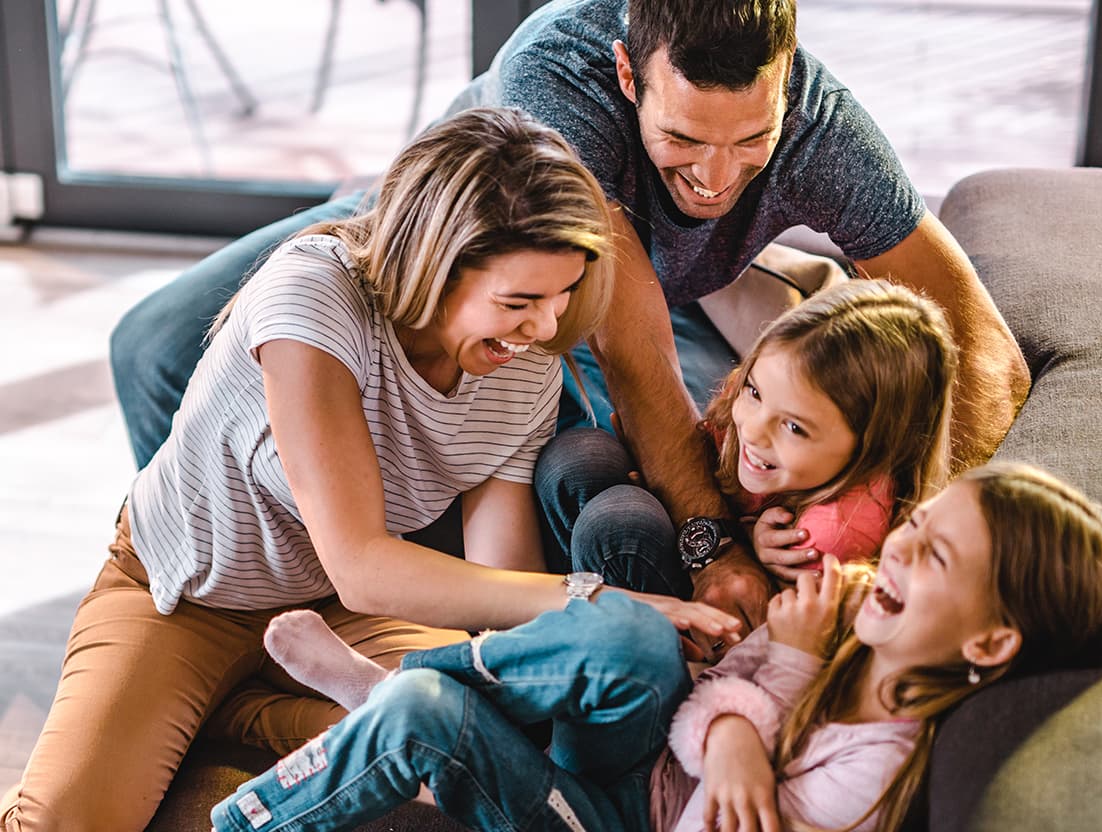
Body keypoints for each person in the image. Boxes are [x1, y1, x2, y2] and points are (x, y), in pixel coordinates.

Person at [108, 0, 1031, 638]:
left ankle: (364, 595)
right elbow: (629, 351)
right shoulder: (559, 76)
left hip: (617, 304)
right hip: (437, 236)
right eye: (681, 143)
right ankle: (241, 604)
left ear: (788, 79)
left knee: (721, 443)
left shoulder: (824, 129)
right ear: (630, 75)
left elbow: (987, 348)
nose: (715, 179)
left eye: (751, 141)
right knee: (151, 348)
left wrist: (908, 525)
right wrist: (712, 549)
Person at [1, 107, 741, 832]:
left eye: (564, 296)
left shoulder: (523, 362)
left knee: (481, 738)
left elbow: (497, 581)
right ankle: (231, 707)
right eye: (520, 302)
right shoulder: (314, 297)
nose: (547, 329)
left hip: (342, 613)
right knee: (63, 821)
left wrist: (586, 639)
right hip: (190, 593)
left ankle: (243, 705)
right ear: (435, 266)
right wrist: (607, 600)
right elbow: (360, 561)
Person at [208, 461, 1102, 832]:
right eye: (920, 521)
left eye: (933, 553)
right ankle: (408, 675)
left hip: (626, 825)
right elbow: (703, 710)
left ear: (990, 638)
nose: (896, 544)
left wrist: (776, 676)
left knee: (423, 722)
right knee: (630, 633)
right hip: (636, 769)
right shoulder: (855, 626)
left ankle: (257, 811)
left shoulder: (880, 767)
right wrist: (741, 710)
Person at [543, 279, 957, 602]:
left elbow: (773, 632)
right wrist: (662, 474)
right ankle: (548, 599)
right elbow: (709, 454)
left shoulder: (833, 535)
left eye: (794, 427)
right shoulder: (751, 411)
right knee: (578, 455)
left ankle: (605, 656)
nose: (754, 430)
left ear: (875, 447)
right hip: (710, 541)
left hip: (721, 634)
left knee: (618, 525)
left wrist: (756, 553)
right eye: (755, 393)